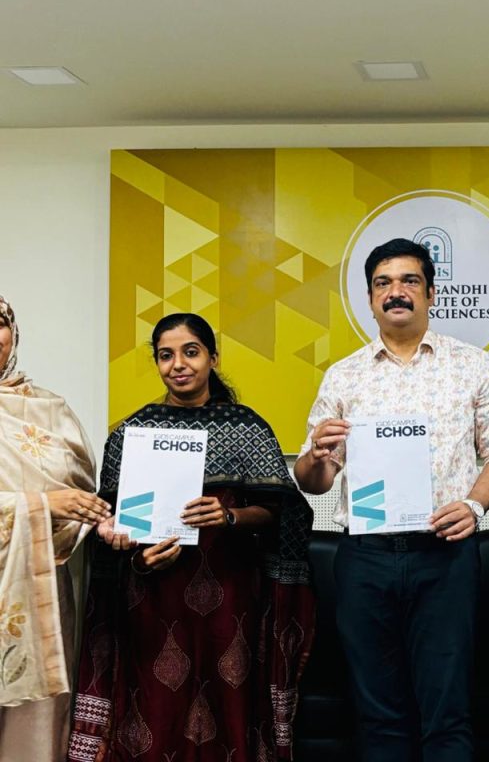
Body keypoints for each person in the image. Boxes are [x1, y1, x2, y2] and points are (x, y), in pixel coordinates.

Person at [293, 237, 489, 762]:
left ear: (431, 293)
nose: (396, 292)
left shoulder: (472, 365)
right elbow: (313, 480)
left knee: (448, 710)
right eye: (383, 283)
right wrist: (318, 454)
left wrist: (475, 506)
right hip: (365, 559)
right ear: (370, 299)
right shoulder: (344, 375)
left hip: (445, 556)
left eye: (409, 281)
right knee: (377, 714)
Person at [67, 313, 315, 762]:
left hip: (230, 597)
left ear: (213, 359)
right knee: (153, 708)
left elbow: (281, 513)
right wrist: (131, 552)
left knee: (230, 703)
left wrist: (230, 515)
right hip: (152, 595)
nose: (178, 364)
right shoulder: (131, 433)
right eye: (166, 355)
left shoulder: (247, 429)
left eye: (191, 352)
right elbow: (110, 525)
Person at [0, 295, 109, 761]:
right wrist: (42, 504)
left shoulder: (48, 410)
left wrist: (72, 511)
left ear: (14, 334)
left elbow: (81, 492)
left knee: (33, 726)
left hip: (39, 587)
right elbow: (56, 499)